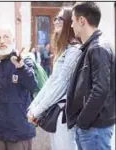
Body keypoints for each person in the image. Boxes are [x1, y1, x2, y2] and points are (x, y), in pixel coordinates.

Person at [27, 7, 82, 150]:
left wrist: (37, 110)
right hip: (56, 112)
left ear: (70, 22)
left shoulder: (74, 51)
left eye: (60, 18)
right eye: (55, 18)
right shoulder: (65, 49)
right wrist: (34, 105)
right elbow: (51, 81)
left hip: (65, 114)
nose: (56, 21)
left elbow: (60, 84)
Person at [66, 2, 115, 150]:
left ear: (82, 21)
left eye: (73, 21)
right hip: (92, 128)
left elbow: (100, 90)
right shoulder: (92, 47)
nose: (71, 26)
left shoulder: (98, 48)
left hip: (94, 129)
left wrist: (82, 121)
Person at [0, 25, 38, 150]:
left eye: (6, 37)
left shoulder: (24, 61)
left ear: (13, 40)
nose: (2, 41)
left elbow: (33, 85)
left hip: (19, 129)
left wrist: (21, 67)